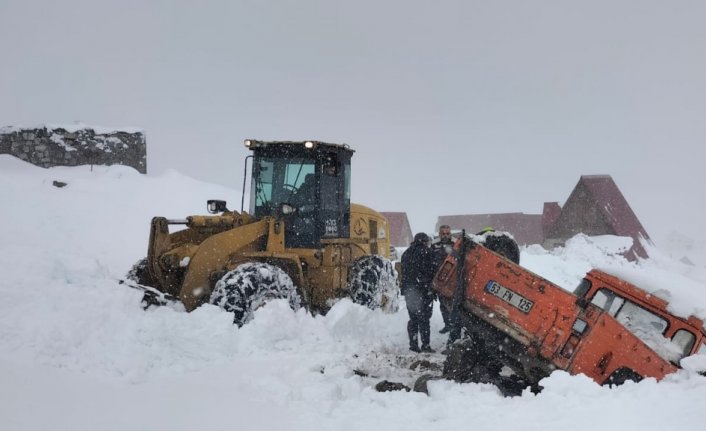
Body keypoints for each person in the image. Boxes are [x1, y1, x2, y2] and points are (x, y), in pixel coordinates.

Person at [401, 232, 437, 353]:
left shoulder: (406, 253)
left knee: (413, 318)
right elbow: (434, 271)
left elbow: (404, 273)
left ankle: (413, 345)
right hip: (424, 290)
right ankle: (425, 345)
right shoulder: (429, 252)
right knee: (424, 318)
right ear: (425, 241)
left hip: (409, 291)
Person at [431, 225, 454, 333]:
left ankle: (455, 326)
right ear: (439, 234)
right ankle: (448, 324)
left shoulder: (456, 244)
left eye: (447, 233)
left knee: (454, 304)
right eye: (443, 233)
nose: (445, 235)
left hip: (453, 279)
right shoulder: (434, 245)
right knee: (443, 304)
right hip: (440, 278)